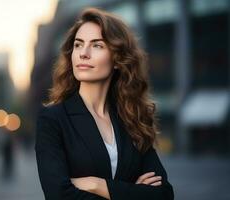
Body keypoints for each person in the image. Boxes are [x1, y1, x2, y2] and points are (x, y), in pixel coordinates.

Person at [35, 7, 174, 200]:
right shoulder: (53, 119)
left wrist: (97, 185)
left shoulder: (132, 118)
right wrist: (132, 192)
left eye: (97, 45)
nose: (83, 53)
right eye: (78, 44)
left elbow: (163, 194)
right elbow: (59, 195)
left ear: (117, 59)